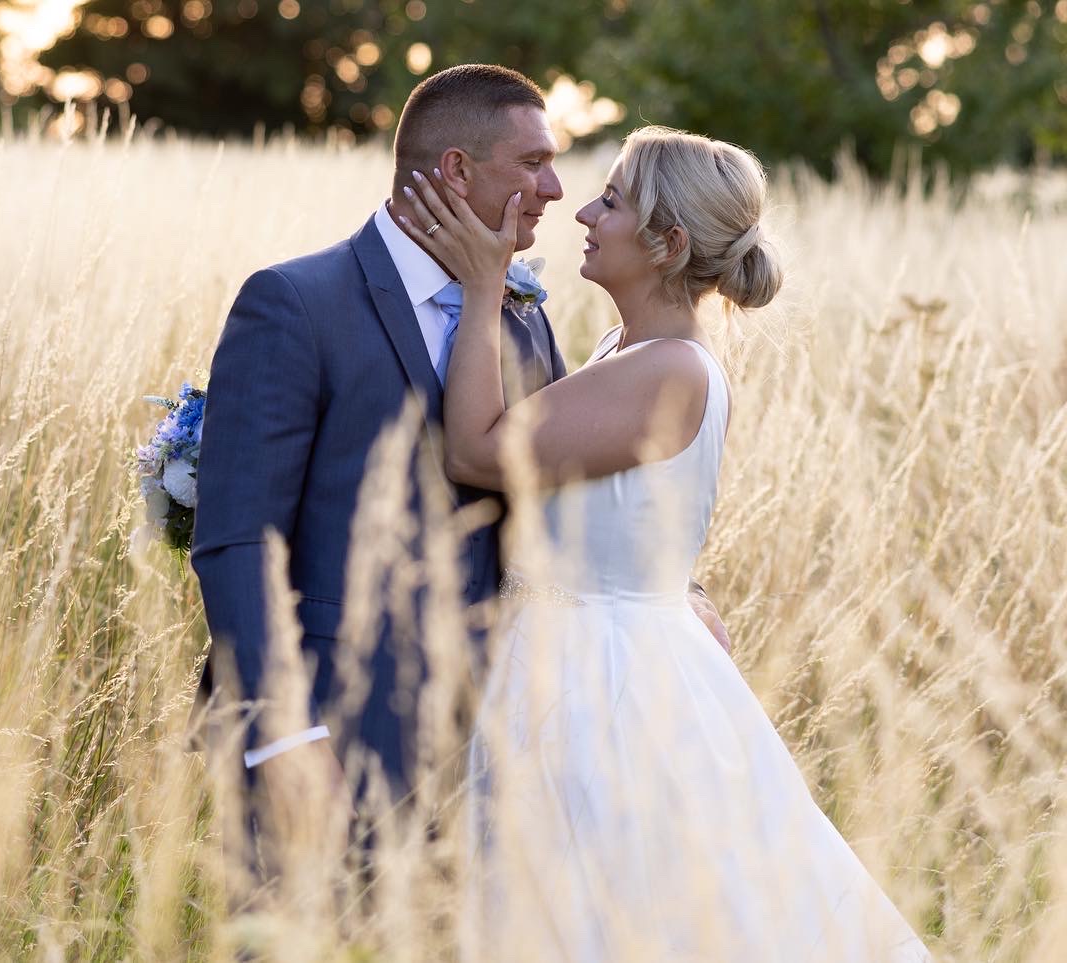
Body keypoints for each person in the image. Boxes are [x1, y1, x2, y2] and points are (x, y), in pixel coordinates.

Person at [395, 126, 930, 960]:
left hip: (603, 682)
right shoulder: (629, 350)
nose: (584, 213)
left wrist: (482, 280)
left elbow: (475, 452)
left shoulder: (669, 368)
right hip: (587, 650)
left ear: (668, 243)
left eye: (611, 201)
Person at [190, 66, 726, 863]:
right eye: (534, 163)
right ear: (456, 170)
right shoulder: (296, 303)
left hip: (498, 742)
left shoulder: (520, 314)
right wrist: (284, 736)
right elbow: (237, 540)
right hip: (333, 728)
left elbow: (557, 491)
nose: (556, 190)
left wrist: (675, 591)